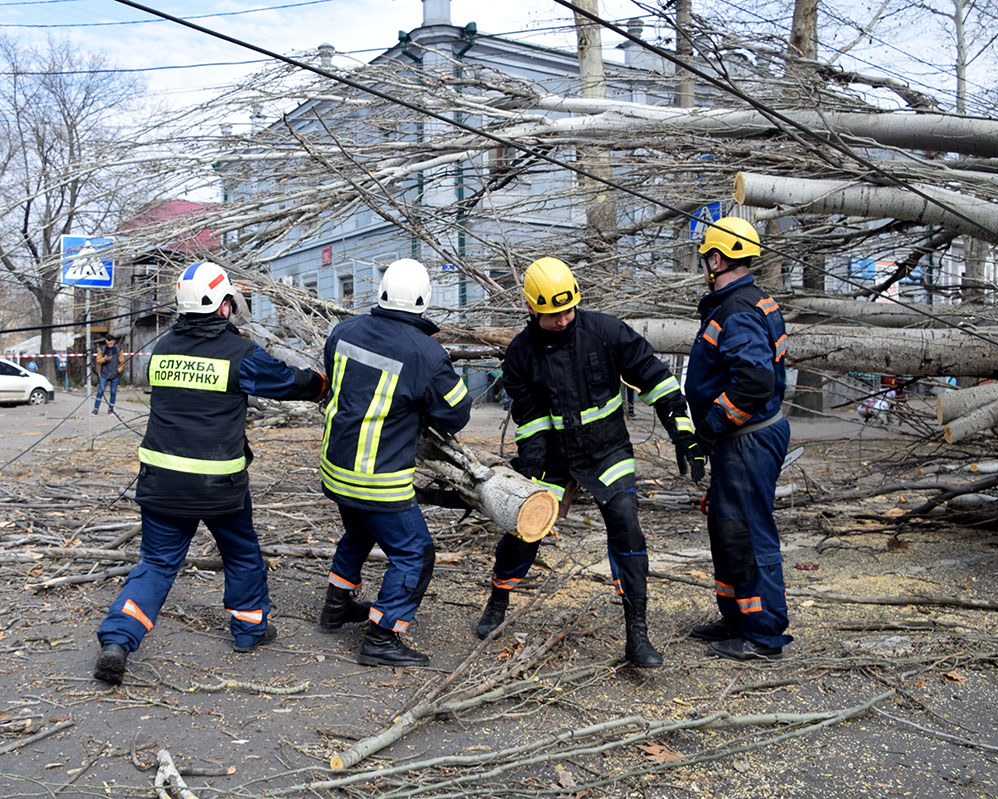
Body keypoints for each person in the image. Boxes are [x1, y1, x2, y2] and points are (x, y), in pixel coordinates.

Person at [93, 262, 327, 685]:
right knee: (240, 553)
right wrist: (324, 385)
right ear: (223, 305)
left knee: (158, 564)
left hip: (161, 481)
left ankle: (118, 638)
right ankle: (250, 629)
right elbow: (292, 383)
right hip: (220, 487)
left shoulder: (163, 349)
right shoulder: (239, 355)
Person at [475, 257, 704, 668]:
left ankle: (638, 635)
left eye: (568, 310)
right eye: (551, 314)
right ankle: (499, 595)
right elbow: (530, 422)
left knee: (626, 527)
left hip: (607, 451)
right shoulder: (520, 354)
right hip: (556, 459)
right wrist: (532, 476)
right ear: (531, 308)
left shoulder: (605, 332)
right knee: (525, 530)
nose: (563, 320)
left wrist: (682, 432)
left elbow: (656, 378)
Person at [318, 258, 471, 667]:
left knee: (359, 531)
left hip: (335, 468)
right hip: (379, 479)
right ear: (424, 301)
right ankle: (382, 637)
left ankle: (336, 605)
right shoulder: (426, 351)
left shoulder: (343, 331)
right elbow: (457, 412)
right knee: (415, 554)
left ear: (382, 292)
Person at [685, 217, 792, 661]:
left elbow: (753, 381)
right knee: (728, 528)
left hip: (746, 437)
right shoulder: (745, 301)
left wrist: (711, 426)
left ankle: (764, 634)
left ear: (716, 258)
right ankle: (737, 617)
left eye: (705, 257)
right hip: (739, 438)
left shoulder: (737, 310)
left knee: (747, 532)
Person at [93, 333, 125, 415]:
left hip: (114, 374)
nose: (109, 345)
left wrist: (118, 370)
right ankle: (95, 409)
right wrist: (104, 359)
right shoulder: (102, 349)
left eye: (111, 343)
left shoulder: (118, 349)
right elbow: (98, 360)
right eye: (108, 343)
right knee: (100, 391)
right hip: (104, 374)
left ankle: (111, 409)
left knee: (113, 392)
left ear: (114, 341)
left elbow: (122, 362)